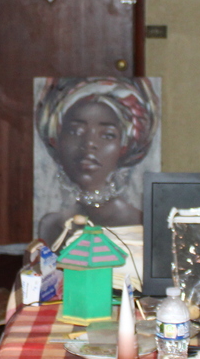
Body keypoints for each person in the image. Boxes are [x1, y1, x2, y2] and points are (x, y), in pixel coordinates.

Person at [34, 77, 158, 245]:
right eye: (75, 131)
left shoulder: (140, 225)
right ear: (57, 139)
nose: (89, 144)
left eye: (107, 135)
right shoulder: (51, 226)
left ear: (124, 146)